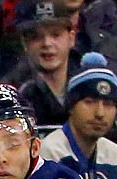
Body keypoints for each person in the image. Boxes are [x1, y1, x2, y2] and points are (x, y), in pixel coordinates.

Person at [39, 52, 117, 179]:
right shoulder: (49, 153)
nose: (100, 113)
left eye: (108, 104)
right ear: (71, 106)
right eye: (89, 102)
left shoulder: (114, 155)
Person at [7, 0, 78, 130]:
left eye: (55, 35)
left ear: (71, 38)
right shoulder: (11, 95)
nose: (47, 43)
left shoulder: (87, 88)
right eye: (36, 37)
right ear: (25, 43)